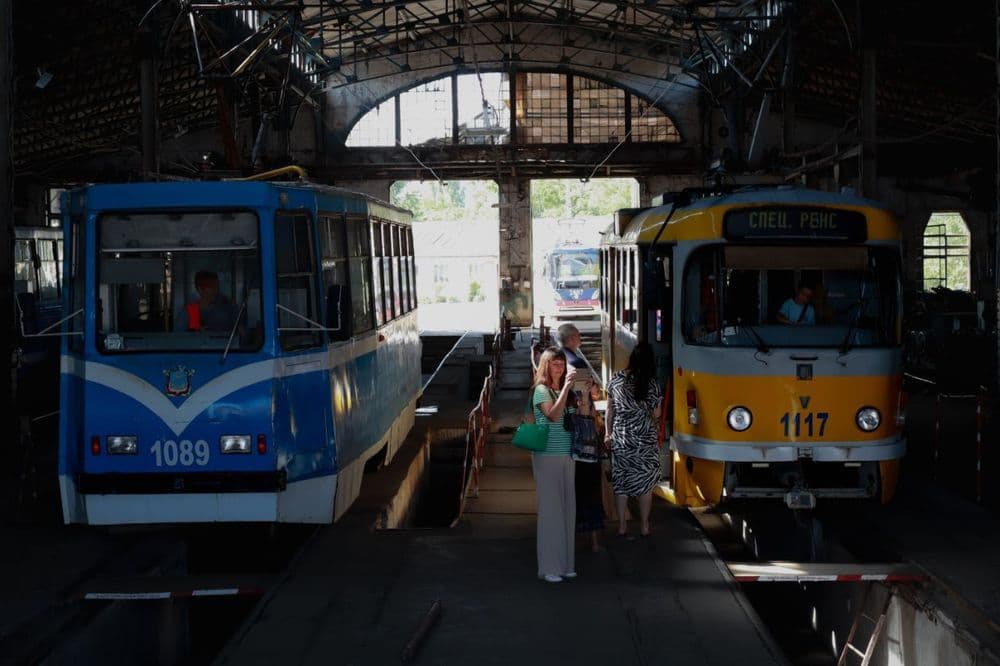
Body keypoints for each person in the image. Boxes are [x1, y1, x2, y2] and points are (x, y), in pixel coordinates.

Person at [604, 342, 662, 538]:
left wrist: (607, 433)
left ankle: (622, 525)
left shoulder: (615, 380)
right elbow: (657, 412)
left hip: (622, 436)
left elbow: (609, 410)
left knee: (621, 482)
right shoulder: (651, 383)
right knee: (645, 483)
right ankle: (645, 525)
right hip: (644, 439)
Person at [555, 323, 605, 553]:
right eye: (579, 336)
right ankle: (594, 541)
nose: (581, 339)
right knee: (590, 486)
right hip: (583, 431)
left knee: (568, 488)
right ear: (573, 338)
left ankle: (568, 538)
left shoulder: (555, 361)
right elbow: (592, 393)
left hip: (562, 431)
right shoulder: (576, 362)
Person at [531, 347, 578, 583]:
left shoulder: (565, 392)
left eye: (562, 363)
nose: (559, 368)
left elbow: (574, 418)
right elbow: (554, 416)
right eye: (554, 364)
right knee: (551, 512)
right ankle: (549, 566)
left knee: (568, 510)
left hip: (567, 455)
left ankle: (567, 563)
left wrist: (585, 396)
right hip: (547, 455)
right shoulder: (541, 391)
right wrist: (567, 388)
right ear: (545, 366)